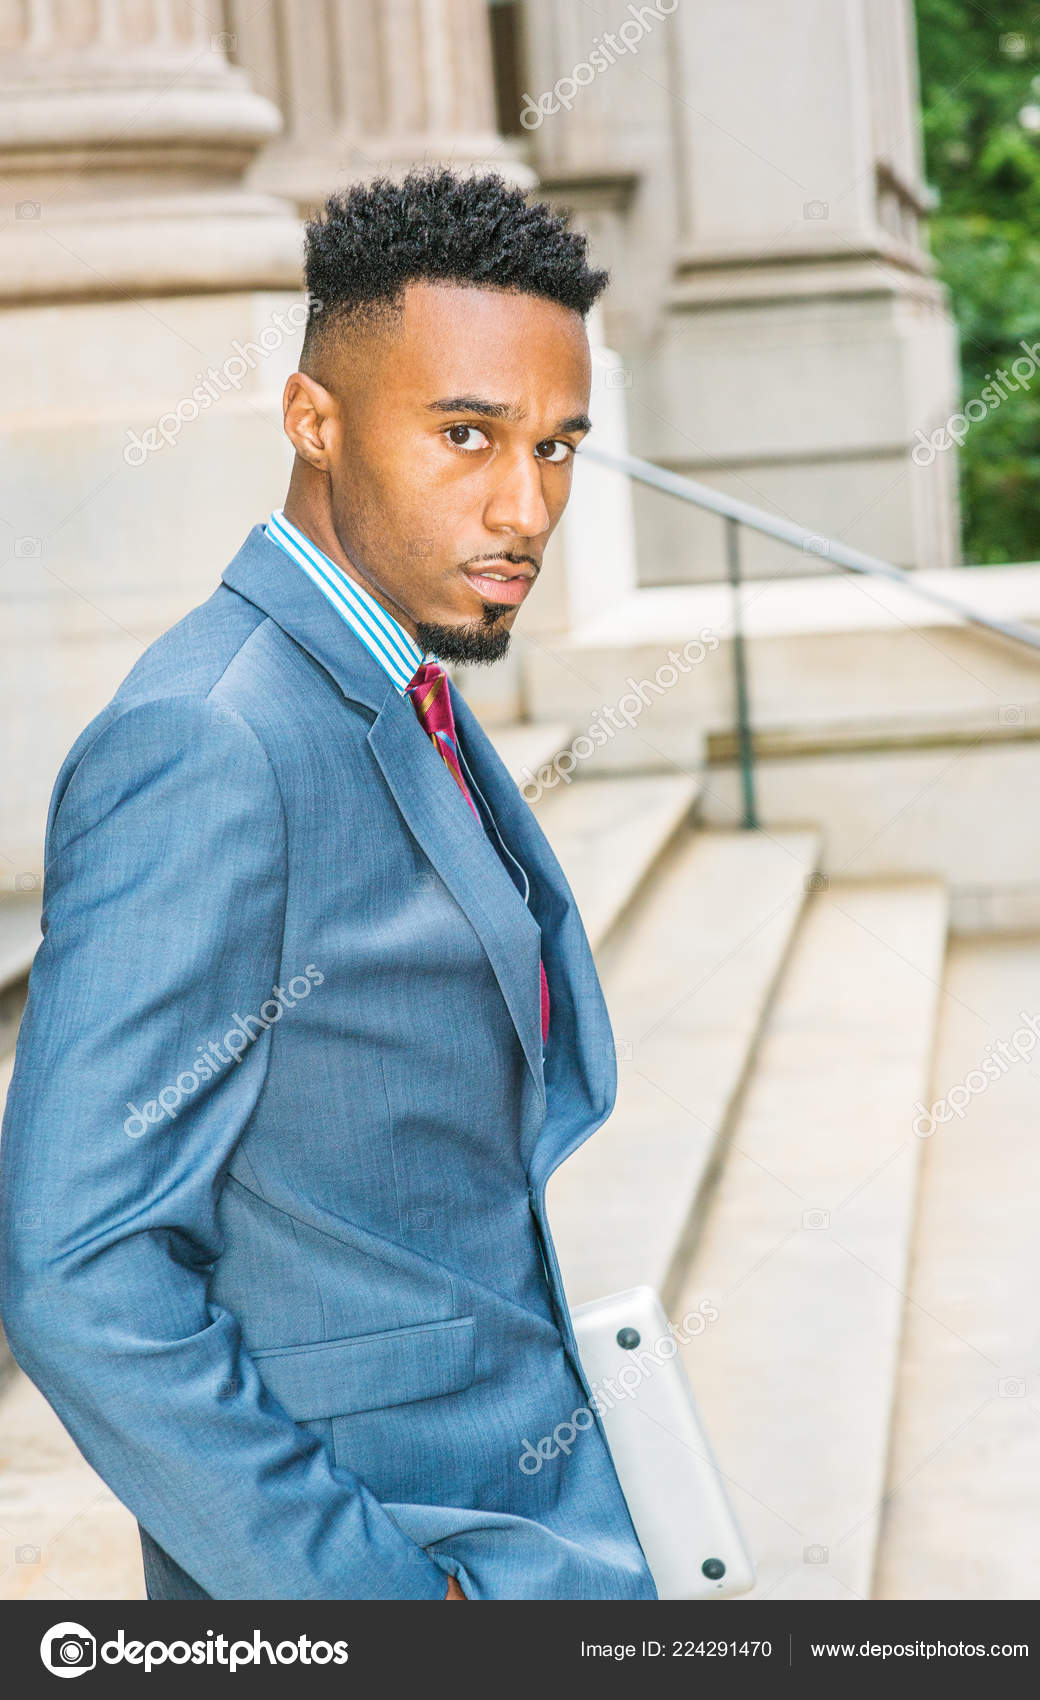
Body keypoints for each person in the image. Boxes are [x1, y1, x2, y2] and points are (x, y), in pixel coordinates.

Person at [0, 167, 658, 1602]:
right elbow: (78, 1268)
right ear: (314, 421)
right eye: (467, 434)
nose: (524, 504)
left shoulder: (391, 674)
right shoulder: (211, 739)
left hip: (531, 1510)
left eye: (556, 447)